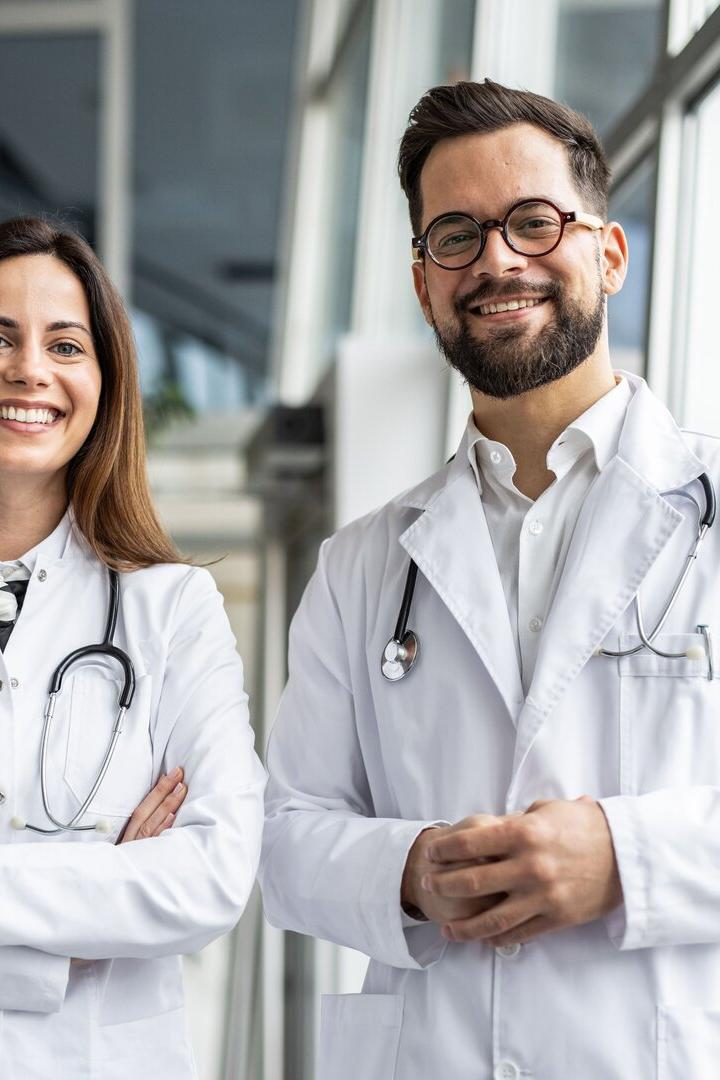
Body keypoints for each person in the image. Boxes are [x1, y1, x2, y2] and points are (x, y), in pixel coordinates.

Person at [260, 79, 720, 1079]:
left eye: (533, 221)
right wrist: (411, 874)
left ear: (609, 253)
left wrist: (623, 859)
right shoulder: (362, 566)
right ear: (424, 282)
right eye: (456, 235)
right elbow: (286, 843)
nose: (497, 259)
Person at [0, 217, 265, 1079]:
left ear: (106, 383)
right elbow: (159, 886)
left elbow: (215, 873)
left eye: (65, 344)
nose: (29, 370)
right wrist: (84, 906)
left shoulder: (173, 611)